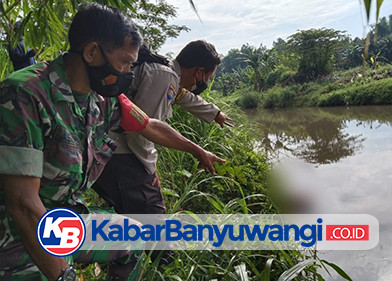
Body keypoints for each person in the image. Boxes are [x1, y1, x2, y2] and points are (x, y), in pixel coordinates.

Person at [0, 3, 224, 281]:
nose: (129, 72)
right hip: (17, 238)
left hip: (65, 220)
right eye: (126, 63)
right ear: (92, 52)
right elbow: (22, 204)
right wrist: (64, 276)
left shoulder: (105, 99)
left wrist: (198, 150)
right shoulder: (25, 94)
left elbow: (151, 126)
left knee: (133, 238)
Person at [92, 41, 231, 215]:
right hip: (121, 156)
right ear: (199, 72)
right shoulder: (164, 76)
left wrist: (215, 113)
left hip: (104, 149)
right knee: (154, 224)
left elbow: (183, 96)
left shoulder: (166, 71)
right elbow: (142, 131)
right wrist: (150, 170)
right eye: (207, 78)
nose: (205, 83)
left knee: (131, 216)